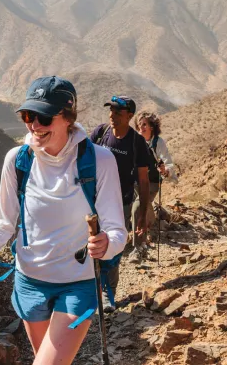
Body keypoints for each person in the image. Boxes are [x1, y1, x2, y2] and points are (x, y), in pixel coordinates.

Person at [0, 76, 127, 364]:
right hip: (28, 285)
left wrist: (106, 243)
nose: (34, 125)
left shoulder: (100, 161)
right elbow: (3, 223)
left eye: (44, 117)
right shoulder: (17, 161)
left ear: (67, 118)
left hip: (81, 290)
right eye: (28, 115)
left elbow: (118, 232)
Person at [90, 95, 151, 305]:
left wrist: (142, 214)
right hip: (92, 201)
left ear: (129, 116)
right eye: (111, 111)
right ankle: (87, 289)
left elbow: (143, 181)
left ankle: (108, 293)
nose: (112, 115)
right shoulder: (100, 133)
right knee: (87, 245)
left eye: (118, 112)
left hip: (120, 204)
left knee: (112, 248)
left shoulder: (137, 143)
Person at [133, 111, 177, 244]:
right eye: (139, 124)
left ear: (152, 126)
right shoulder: (135, 140)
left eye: (145, 124)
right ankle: (151, 221)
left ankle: (139, 246)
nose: (141, 127)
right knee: (137, 204)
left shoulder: (158, 143)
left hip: (152, 182)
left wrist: (164, 170)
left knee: (138, 206)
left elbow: (168, 162)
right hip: (135, 181)